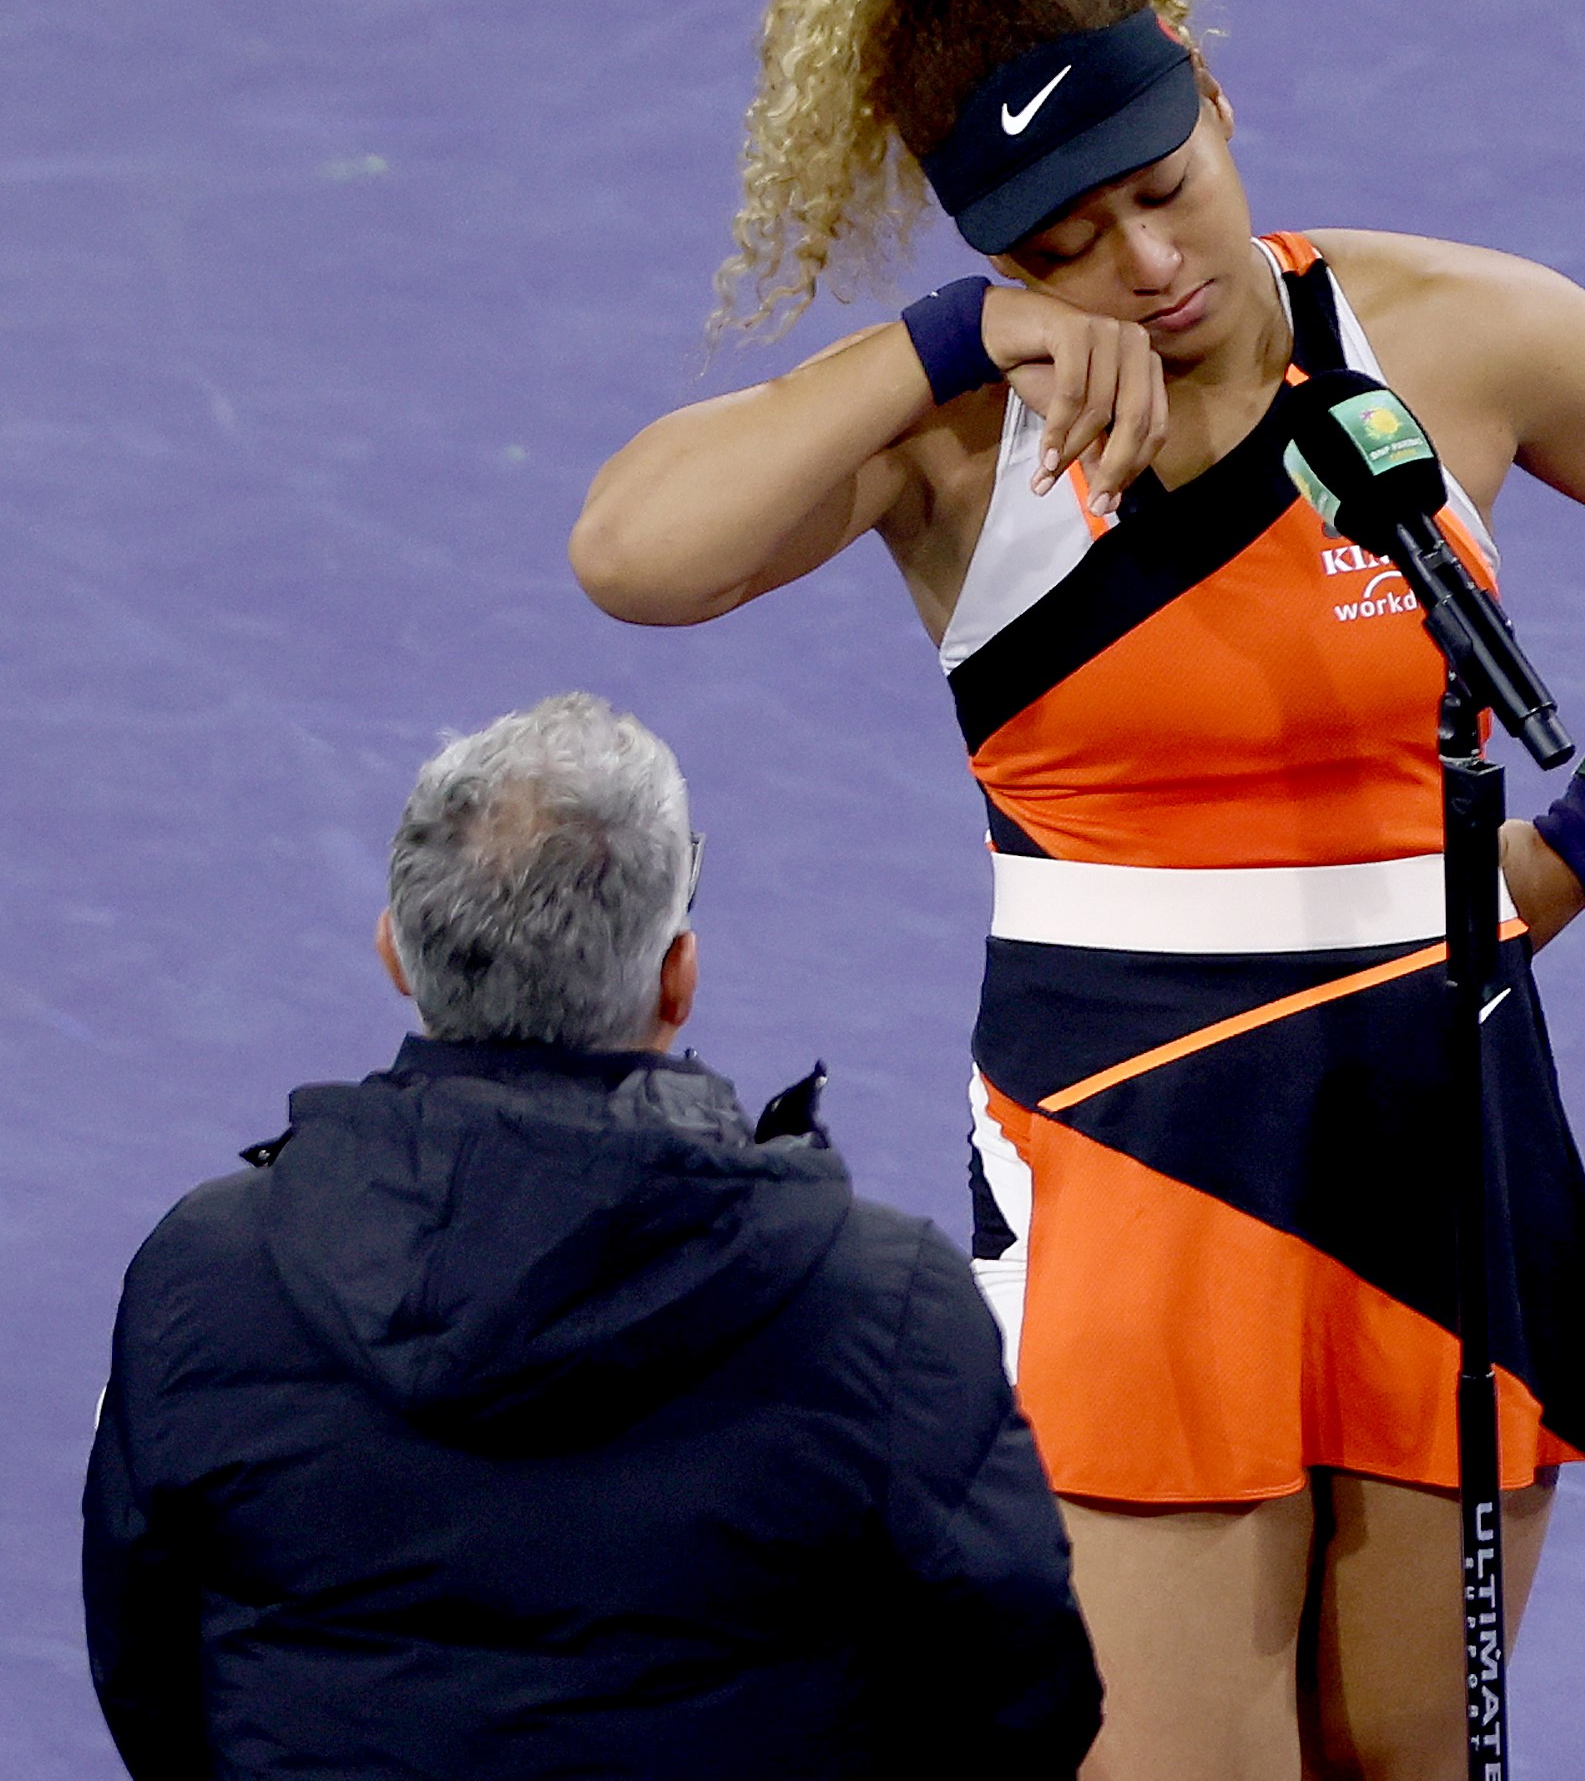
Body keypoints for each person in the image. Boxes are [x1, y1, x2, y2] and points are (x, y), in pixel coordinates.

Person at [564, 0, 1585, 1781]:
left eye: (1165, 187)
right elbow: (636, 553)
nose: (1143, 269)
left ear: (1218, 101)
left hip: (1442, 1129)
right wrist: (945, 346)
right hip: (1135, 1174)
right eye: (1058, 246)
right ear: (992, 256)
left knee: (1414, 1757)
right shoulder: (964, 442)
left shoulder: (1452, 335)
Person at [82, 694, 1099, 1781]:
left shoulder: (203, 1275)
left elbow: (148, 1665)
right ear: (678, 978)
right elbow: (1022, 1687)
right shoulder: (883, 1299)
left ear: (397, 954)